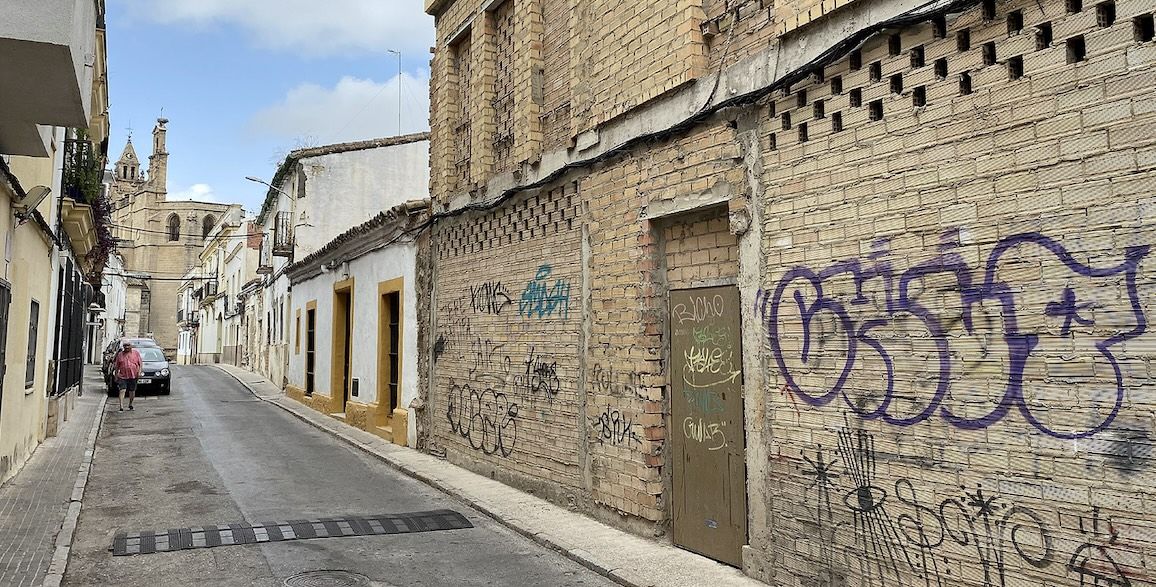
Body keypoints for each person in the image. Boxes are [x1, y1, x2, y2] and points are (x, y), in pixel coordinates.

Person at [113, 340, 142, 411]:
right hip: (123, 376)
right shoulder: (120, 354)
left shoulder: (136, 353)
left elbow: (140, 364)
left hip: (133, 375)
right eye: (125, 346)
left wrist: (139, 372)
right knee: (122, 390)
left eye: (128, 345)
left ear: (131, 346)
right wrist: (116, 375)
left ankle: (130, 404)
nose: (126, 347)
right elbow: (117, 366)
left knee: (132, 391)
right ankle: (121, 406)